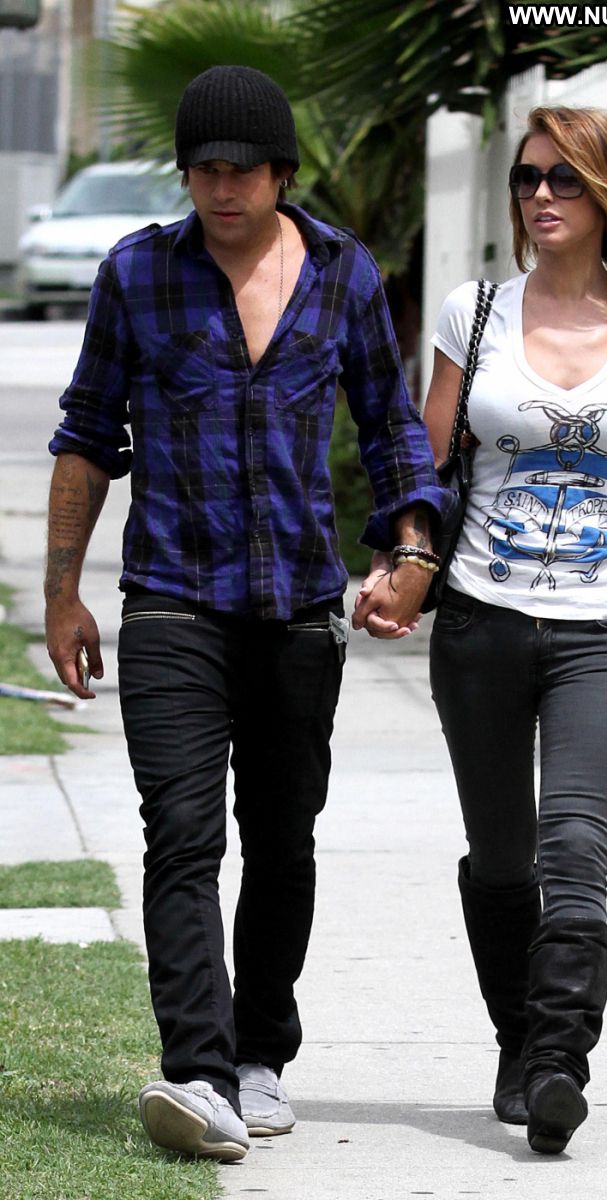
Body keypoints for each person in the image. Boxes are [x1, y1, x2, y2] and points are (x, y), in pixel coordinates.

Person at [44, 65, 450, 1162]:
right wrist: (61, 592)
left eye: (243, 170)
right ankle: (199, 1072)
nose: (222, 189)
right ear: (186, 174)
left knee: (281, 842)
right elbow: (87, 434)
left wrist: (412, 551)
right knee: (180, 835)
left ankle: (261, 1052)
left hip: (298, 610)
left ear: (281, 173)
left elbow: (391, 428)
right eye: (204, 170)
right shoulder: (137, 274)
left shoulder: (343, 273)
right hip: (171, 601)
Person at [362, 105, 607, 1155]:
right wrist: (401, 567)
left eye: (564, 178)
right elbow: (423, 464)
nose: (540, 197)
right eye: (527, 178)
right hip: (481, 619)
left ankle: (560, 1062)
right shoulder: (473, 314)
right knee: (502, 857)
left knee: (574, 847)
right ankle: (517, 1042)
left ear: (606, 192)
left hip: (601, 623)